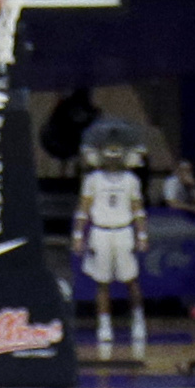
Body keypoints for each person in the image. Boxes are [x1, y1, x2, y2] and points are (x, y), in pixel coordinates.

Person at [78, 141, 145, 360]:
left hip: (123, 231)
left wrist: (142, 235)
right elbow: (84, 208)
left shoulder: (131, 180)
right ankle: (104, 325)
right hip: (101, 231)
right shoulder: (92, 180)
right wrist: (78, 235)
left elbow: (138, 210)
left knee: (131, 280)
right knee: (102, 282)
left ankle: (138, 320)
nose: (112, 156)